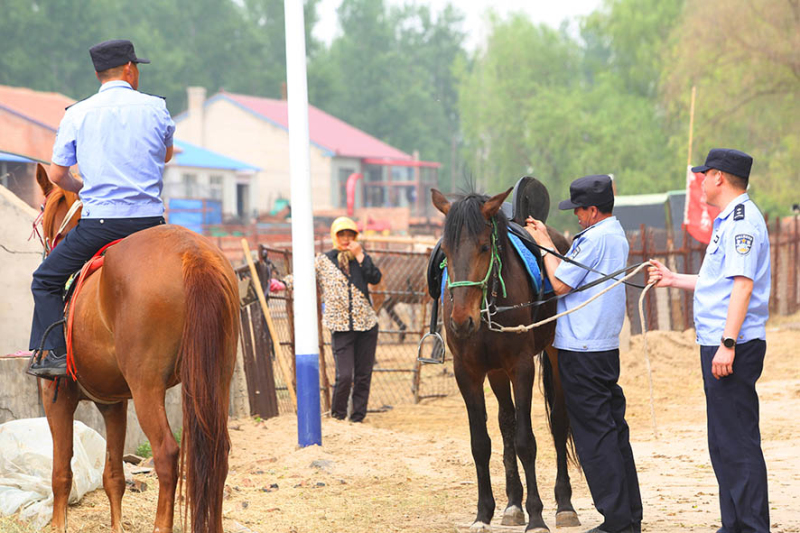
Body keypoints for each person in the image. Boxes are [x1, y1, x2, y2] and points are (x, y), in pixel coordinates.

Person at [28, 39, 175, 378]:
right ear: (130, 69)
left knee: (45, 280)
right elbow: (166, 155)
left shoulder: (77, 114)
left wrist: (82, 188)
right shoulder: (156, 107)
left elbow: (57, 175)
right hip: (152, 224)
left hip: (101, 226)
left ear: (98, 74)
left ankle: (56, 356)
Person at [649, 148, 770, 533]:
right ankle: (733, 524)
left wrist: (728, 344)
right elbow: (719, 282)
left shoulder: (742, 222)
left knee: (738, 442)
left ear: (719, 177)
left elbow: (743, 286)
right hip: (721, 343)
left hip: (733, 345)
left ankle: (751, 527)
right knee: (723, 443)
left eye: (705, 175)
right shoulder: (728, 220)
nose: (700, 181)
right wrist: (674, 279)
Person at [525, 175, 642, 533]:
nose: (575, 215)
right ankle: (629, 515)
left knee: (595, 438)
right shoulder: (614, 233)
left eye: (578, 209)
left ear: (593, 210)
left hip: (582, 349)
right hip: (603, 348)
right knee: (613, 431)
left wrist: (543, 244)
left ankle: (616, 520)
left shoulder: (594, 239)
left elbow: (561, 283)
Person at [315, 217, 382, 422]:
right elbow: (303, 276)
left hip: (366, 325)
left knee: (363, 375)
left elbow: (375, 278)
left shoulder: (361, 259)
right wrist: (282, 284)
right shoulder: (325, 261)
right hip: (341, 327)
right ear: (335, 236)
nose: (346, 239)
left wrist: (360, 255)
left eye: (350, 235)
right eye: (342, 235)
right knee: (344, 376)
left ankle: (358, 418)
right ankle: (338, 416)